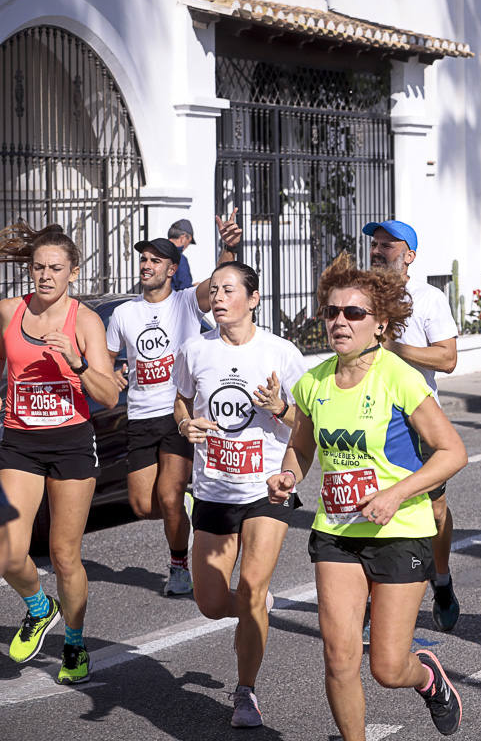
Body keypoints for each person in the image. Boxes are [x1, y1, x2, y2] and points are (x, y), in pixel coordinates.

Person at [266, 253, 468, 739]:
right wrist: (288, 477)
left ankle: (429, 678)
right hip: (336, 532)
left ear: (379, 325)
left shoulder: (398, 376)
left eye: (353, 313)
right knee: (338, 656)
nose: (339, 322)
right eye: (331, 312)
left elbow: (452, 452)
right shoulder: (314, 383)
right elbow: (301, 446)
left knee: (388, 666)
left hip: (399, 533)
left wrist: (397, 494)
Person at [173, 261, 307, 728]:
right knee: (210, 602)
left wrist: (281, 408)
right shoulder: (194, 349)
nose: (218, 297)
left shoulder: (281, 353)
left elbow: (309, 424)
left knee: (251, 588)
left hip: (266, 488)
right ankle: (257, 610)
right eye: (214, 290)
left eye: (229, 290)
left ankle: (245, 691)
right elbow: (183, 401)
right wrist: (186, 425)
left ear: (253, 299)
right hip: (213, 488)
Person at [0, 223, 120, 685]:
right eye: (38, 267)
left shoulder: (86, 321)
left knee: (64, 554)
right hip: (20, 442)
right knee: (9, 552)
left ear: (73, 271)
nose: (45, 276)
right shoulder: (10, 312)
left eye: (55, 268)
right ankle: (38, 606)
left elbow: (108, 395)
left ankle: (74, 642)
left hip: (71, 441)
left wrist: (78, 361)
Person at [106, 212, 242, 597]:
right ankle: (185, 499)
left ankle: (179, 565)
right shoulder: (124, 314)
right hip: (140, 417)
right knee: (142, 504)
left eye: (155, 260)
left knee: (168, 496)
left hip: (176, 413)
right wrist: (113, 371)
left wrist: (227, 246)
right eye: (143, 259)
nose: (147, 265)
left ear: (172, 269)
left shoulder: (184, 302)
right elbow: (109, 356)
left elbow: (219, 282)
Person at [362, 219, 462, 632]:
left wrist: (394, 347)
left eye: (388, 244)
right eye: (375, 243)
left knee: (434, 510)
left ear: (409, 255)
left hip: (418, 419)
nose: (378, 249)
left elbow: (448, 359)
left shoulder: (428, 298)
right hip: (369, 418)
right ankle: (370, 599)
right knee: (369, 506)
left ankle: (441, 580)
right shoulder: (360, 296)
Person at [168, 219, 197, 291]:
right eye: (189, 242)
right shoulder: (180, 259)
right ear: (183, 238)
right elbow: (184, 289)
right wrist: (195, 288)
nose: (187, 246)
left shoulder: (155, 252)